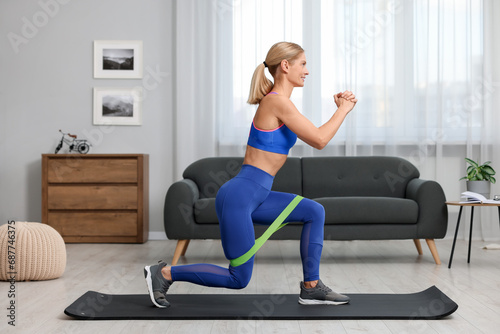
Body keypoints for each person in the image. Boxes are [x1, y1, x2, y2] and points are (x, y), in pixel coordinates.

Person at [144, 41, 357, 308]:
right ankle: (164, 273)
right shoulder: (276, 102)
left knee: (314, 211)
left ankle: (311, 287)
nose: (307, 71)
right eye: (303, 64)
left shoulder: (281, 104)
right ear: (286, 65)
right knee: (238, 278)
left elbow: (314, 135)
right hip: (240, 196)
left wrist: (339, 110)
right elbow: (319, 139)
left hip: (257, 194)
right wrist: (343, 110)